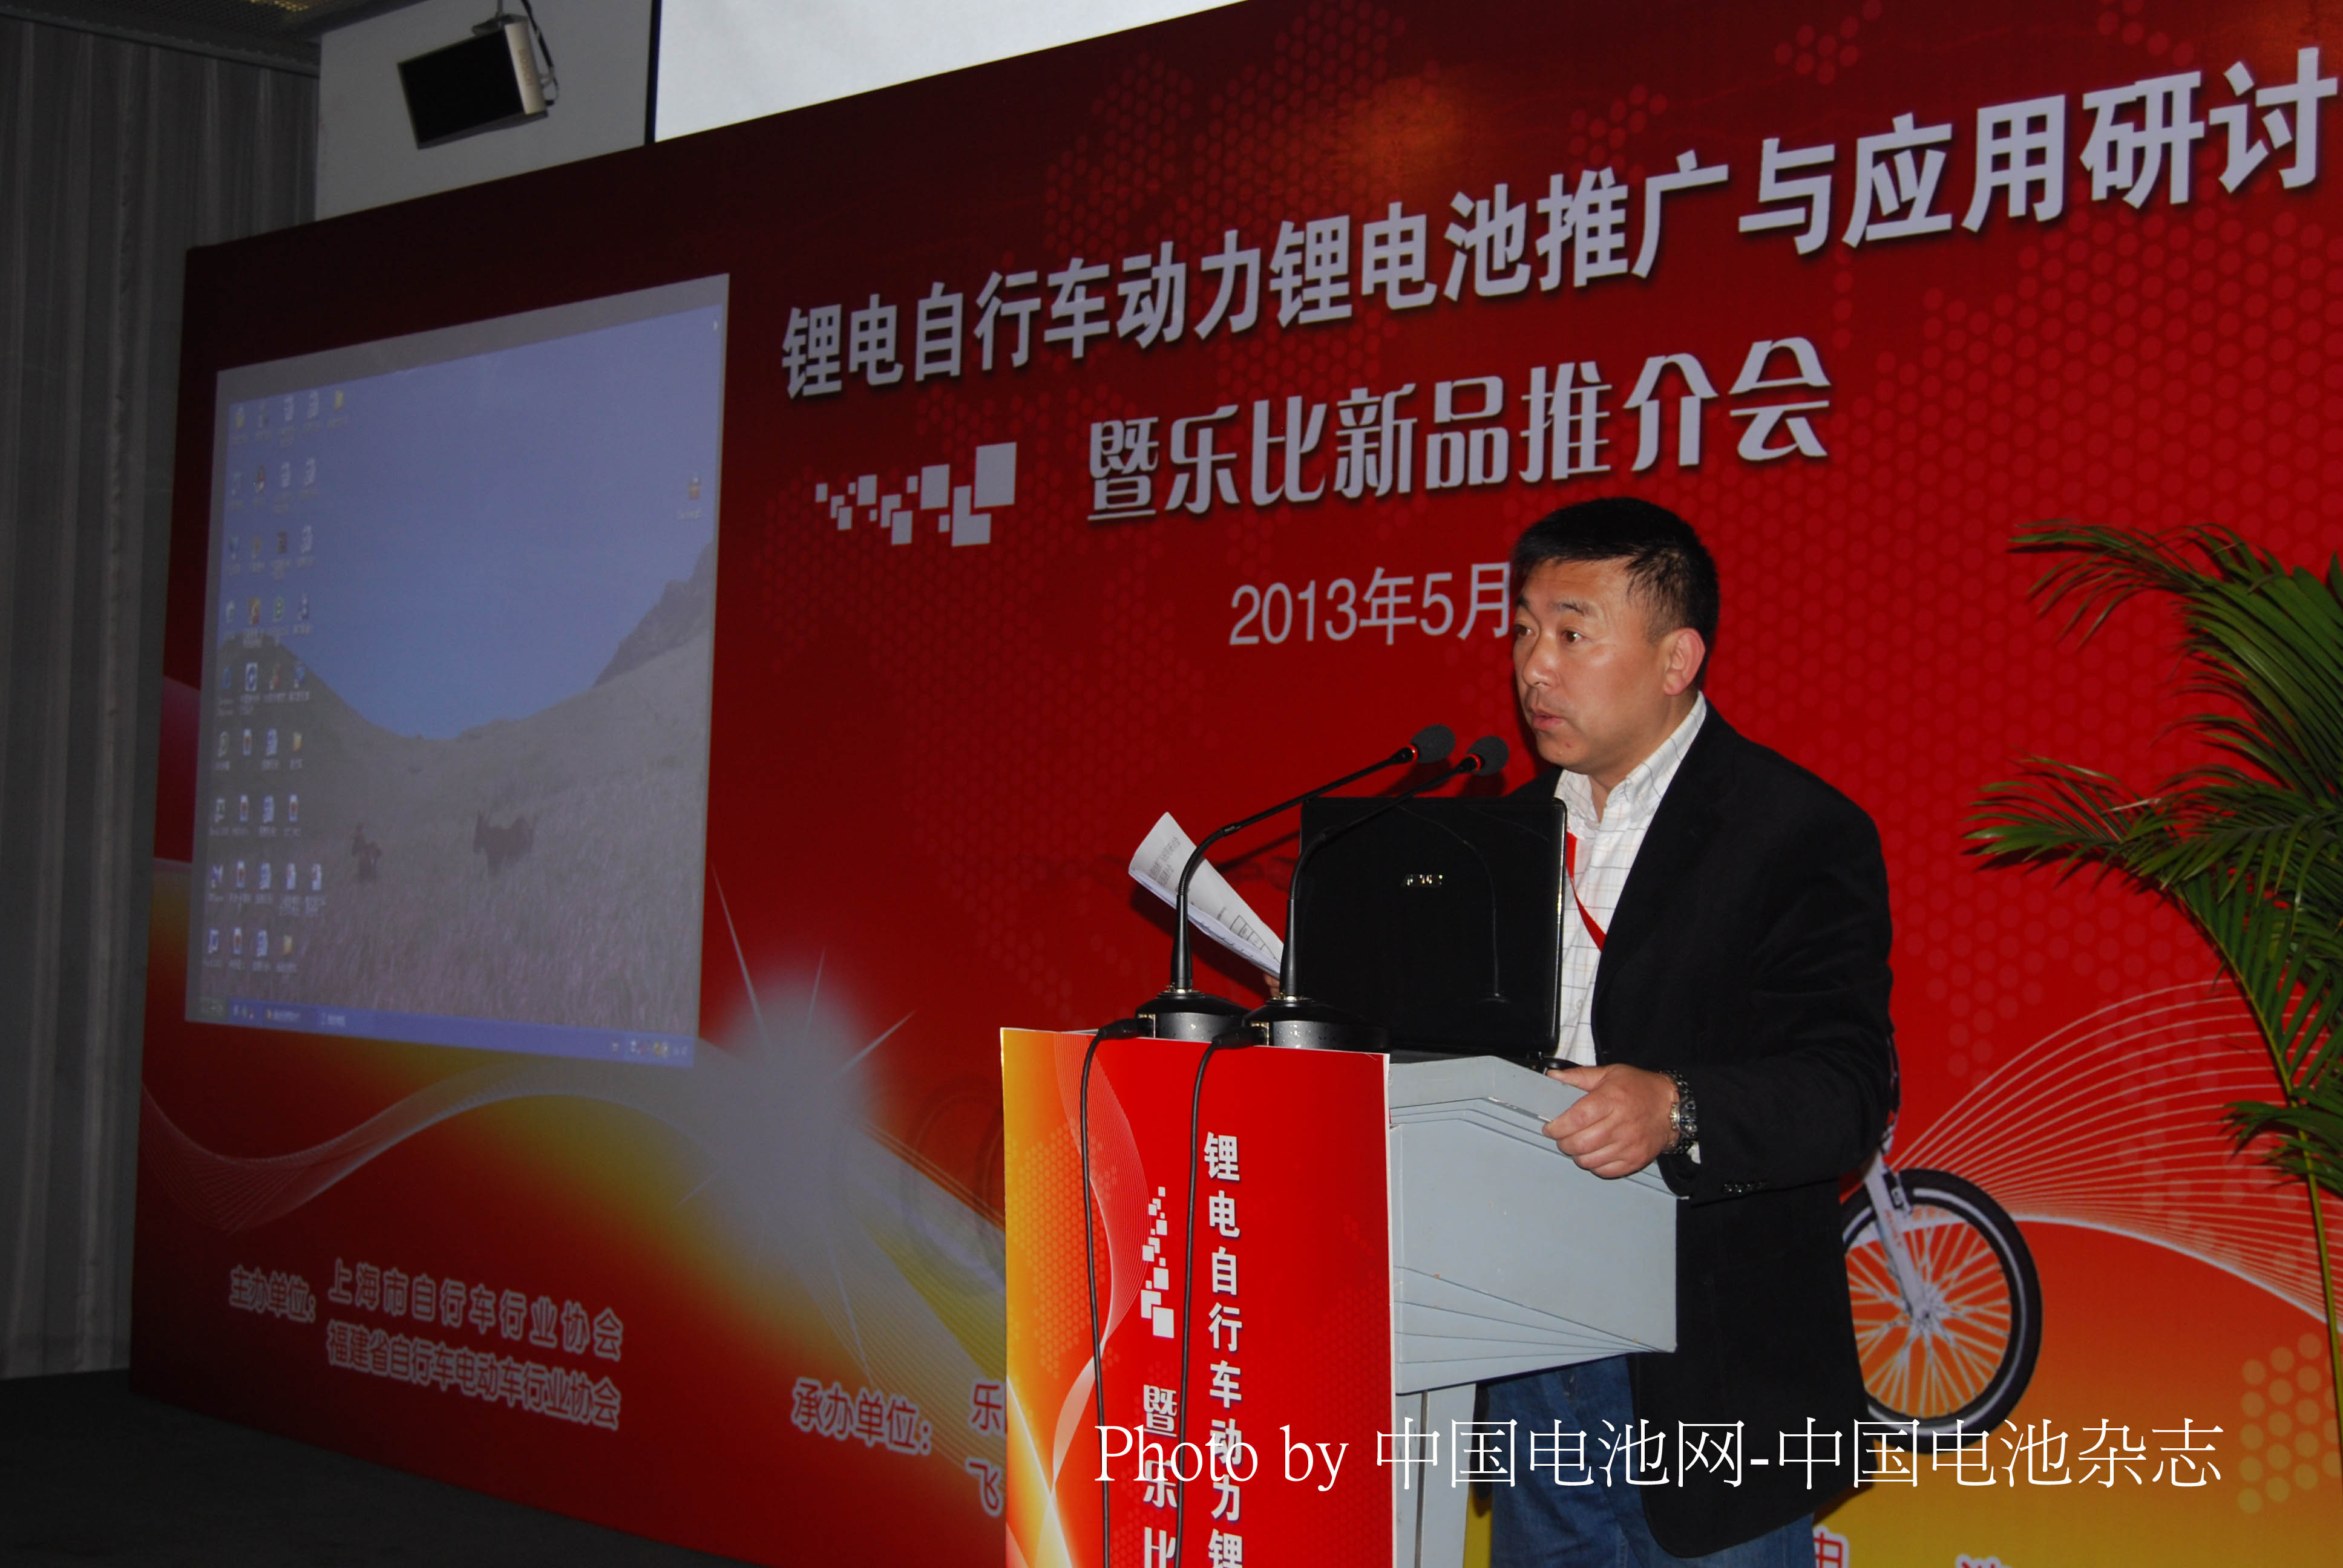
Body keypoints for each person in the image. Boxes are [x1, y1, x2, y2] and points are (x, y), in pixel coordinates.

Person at [1484, 497, 1895, 1565]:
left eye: (1573, 632)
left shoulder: (1796, 832)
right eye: (1523, 629)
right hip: (1523, 1348)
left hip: (1709, 1368)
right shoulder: (1494, 839)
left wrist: (1678, 1109)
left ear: (1677, 659)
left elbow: (1847, 1091)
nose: (1535, 665)